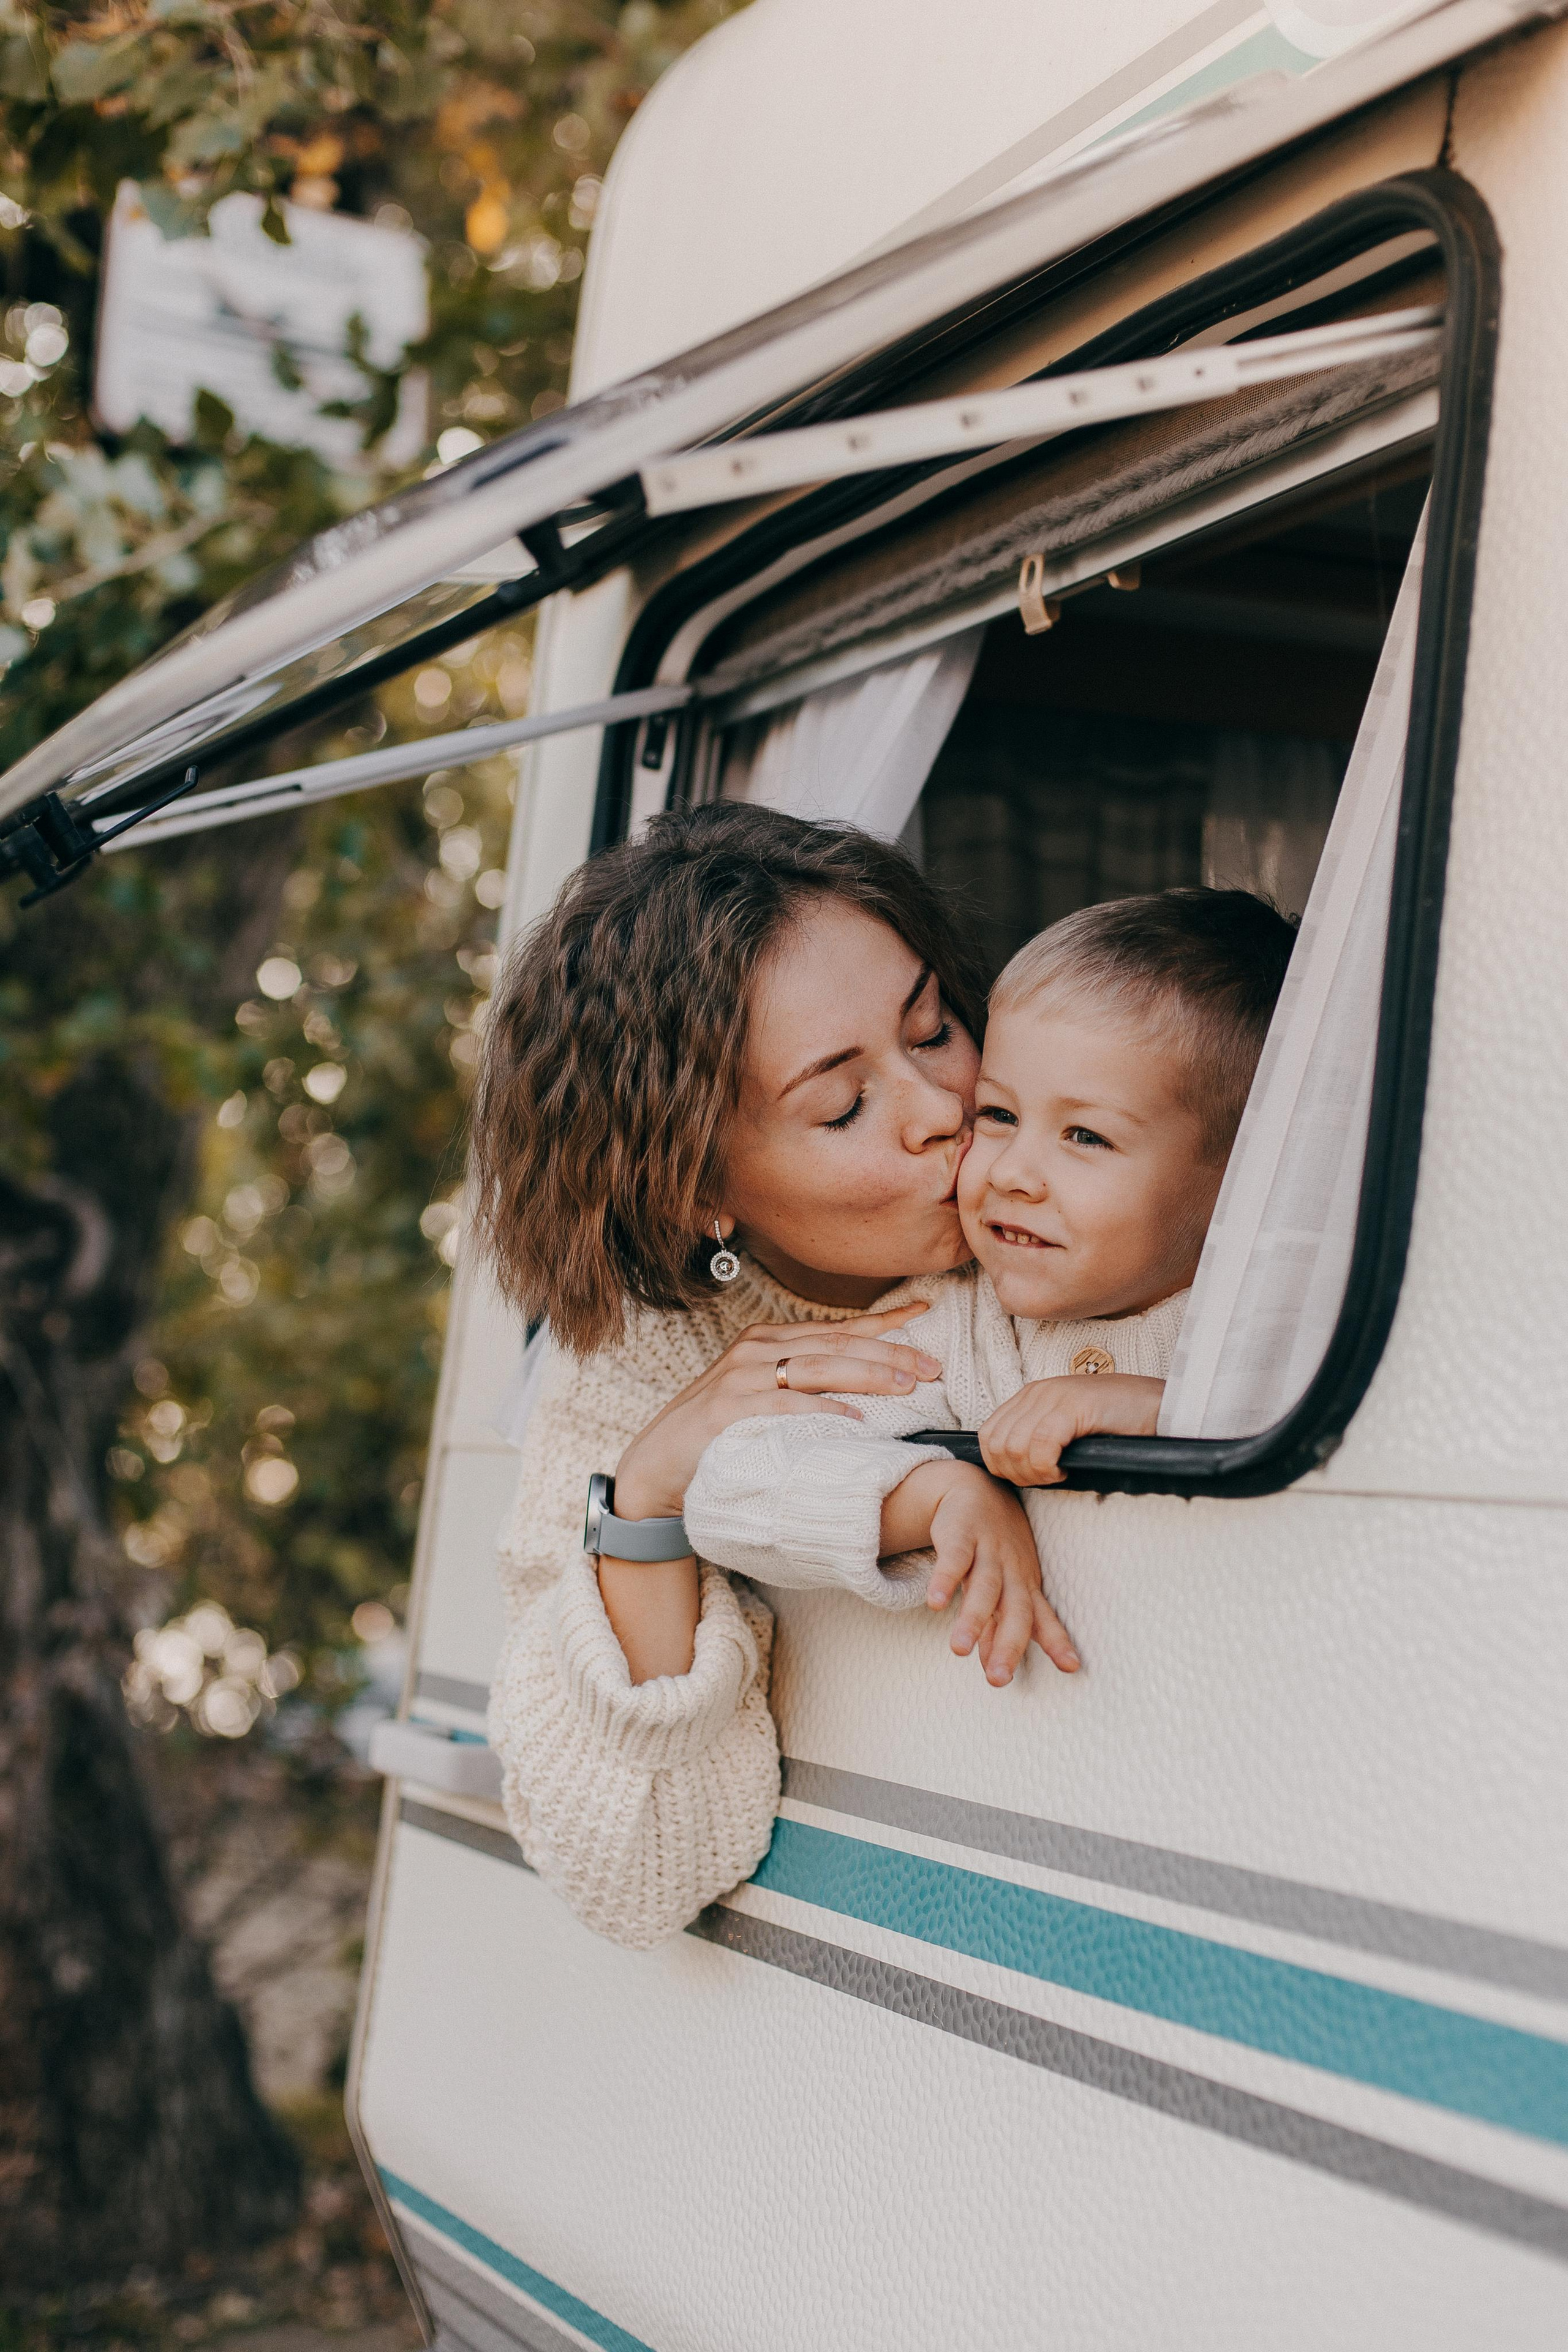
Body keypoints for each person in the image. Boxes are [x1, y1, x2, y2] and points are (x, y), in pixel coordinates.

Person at [469, 802, 1076, 1952]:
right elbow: (639, 1876)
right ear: (694, 1189)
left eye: (936, 1027)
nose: (946, 1110)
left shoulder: (1090, 1200)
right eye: (844, 1104)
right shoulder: (630, 1379)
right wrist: (649, 1503)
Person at [684, 889, 1297, 1628]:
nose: (1008, 1171)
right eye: (999, 1115)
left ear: (1238, 1178)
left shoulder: (1290, 1305)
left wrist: (1165, 1412)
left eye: (1085, 1137)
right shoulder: (950, 1329)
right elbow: (733, 1487)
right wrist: (936, 1491)